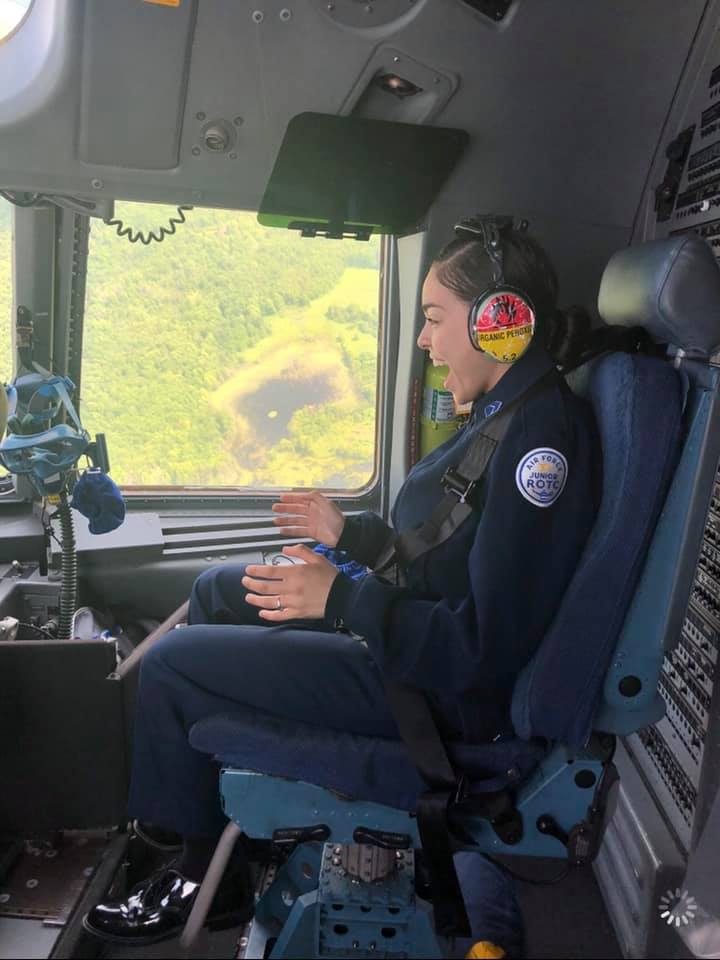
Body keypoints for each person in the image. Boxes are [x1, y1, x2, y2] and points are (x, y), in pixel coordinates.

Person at [83, 219, 601, 953]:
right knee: (220, 589)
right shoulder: (503, 412)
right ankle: (186, 832)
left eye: (432, 320)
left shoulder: (540, 445)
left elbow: (479, 646)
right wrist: (352, 539)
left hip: (436, 698)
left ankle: (204, 877)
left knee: (172, 663)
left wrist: (341, 598)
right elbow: (444, 555)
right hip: (411, 646)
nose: (423, 342)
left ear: (500, 321)